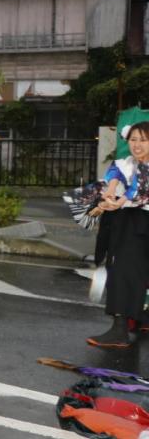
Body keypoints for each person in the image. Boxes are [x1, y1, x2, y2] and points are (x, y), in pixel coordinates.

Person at [86, 121, 149, 348]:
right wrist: (108, 193)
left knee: (124, 270)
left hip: (140, 222)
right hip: (127, 221)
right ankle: (132, 321)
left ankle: (120, 330)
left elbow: (139, 189)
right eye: (133, 140)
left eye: (143, 139)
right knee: (127, 269)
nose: (137, 145)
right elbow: (115, 174)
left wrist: (118, 201)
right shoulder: (126, 163)